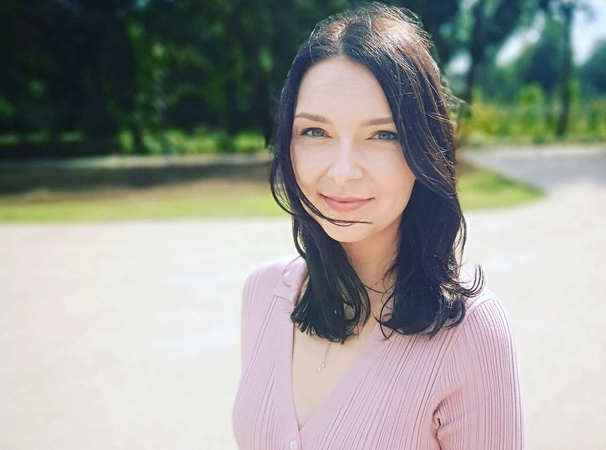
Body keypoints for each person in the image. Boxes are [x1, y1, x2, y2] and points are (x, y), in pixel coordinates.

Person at [232, 4, 523, 449]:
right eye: (315, 132)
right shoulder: (263, 293)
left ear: (423, 149)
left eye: (383, 135)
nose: (342, 172)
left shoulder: (471, 332)